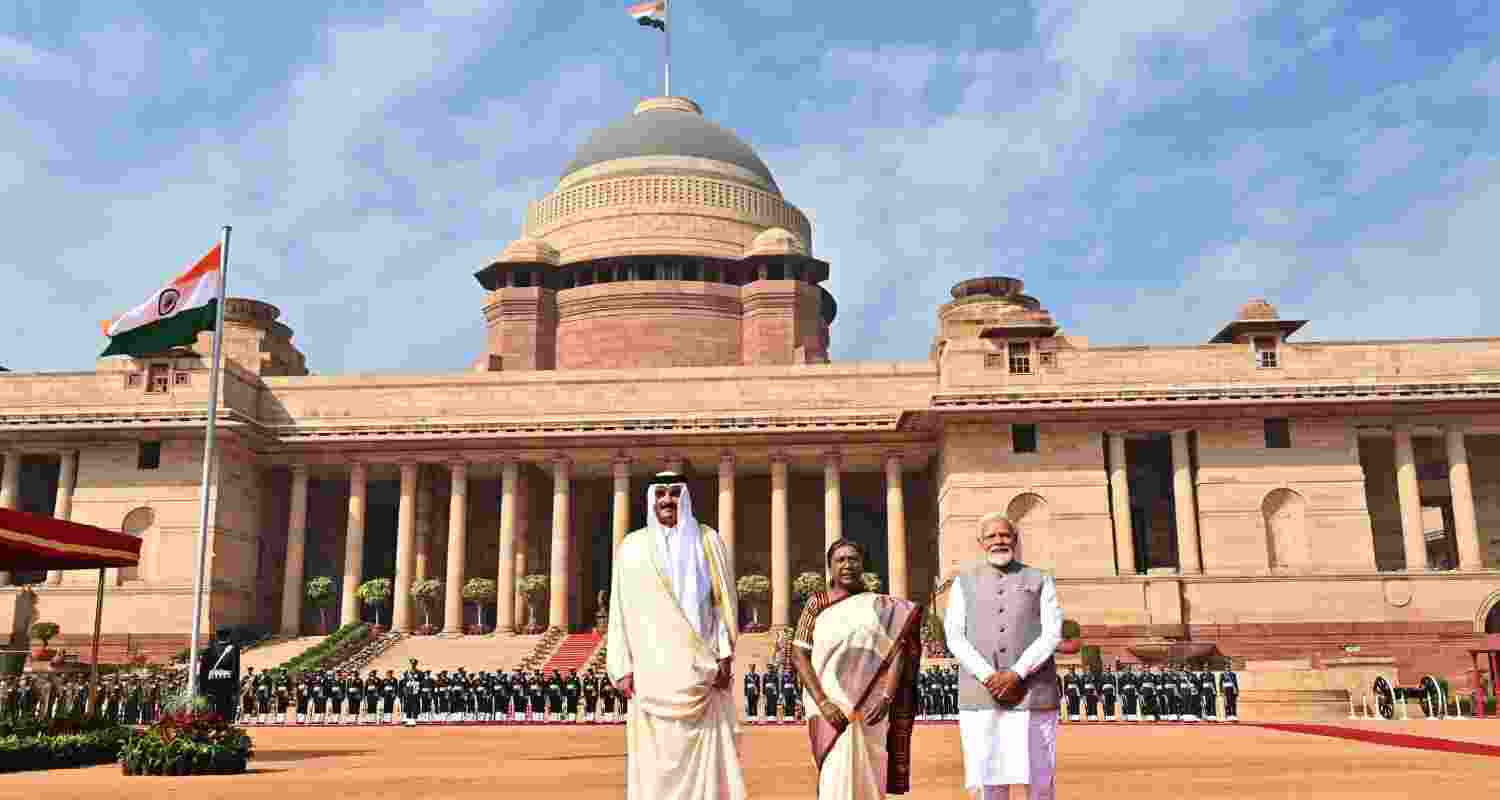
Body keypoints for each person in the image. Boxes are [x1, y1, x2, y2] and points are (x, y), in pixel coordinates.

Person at [606, 472, 745, 800]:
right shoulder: (632, 547)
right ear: (652, 499)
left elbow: (722, 602)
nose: (667, 500)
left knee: (705, 764)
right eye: (661, 494)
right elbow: (620, 609)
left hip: (701, 669)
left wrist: (725, 654)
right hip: (651, 671)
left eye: (674, 494)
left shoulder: (708, 540)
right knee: (655, 763)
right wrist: (620, 665)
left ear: (686, 498)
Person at [792, 538, 923, 800]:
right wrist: (824, 702)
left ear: (862, 564)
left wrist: (887, 697)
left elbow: (897, 649)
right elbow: (799, 654)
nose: (847, 565)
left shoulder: (882, 606)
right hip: (830, 707)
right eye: (840, 560)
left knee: (870, 777)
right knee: (834, 777)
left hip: (872, 707)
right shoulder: (817, 603)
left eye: (853, 559)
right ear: (830, 567)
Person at [945, 512, 1062, 800]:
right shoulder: (963, 582)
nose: (999, 540)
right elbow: (955, 636)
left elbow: (1051, 633)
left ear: (1015, 539)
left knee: (1039, 779)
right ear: (981, 542)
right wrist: (989, 677)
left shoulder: (1040, 579)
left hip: (1033, 693)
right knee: (988, 781)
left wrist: (1017, 673)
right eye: (991, 536)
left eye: (1005, 535)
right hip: (982, 695)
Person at [199, 628, 241, 720]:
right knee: (226, 710)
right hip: (227, 685)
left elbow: (203, 671)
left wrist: (202, 688)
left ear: (217, 637)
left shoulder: (208, 651)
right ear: (228, 636)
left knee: (211, 710)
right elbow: (235, 669)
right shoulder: (233, 650)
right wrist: (235, 687)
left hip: (211, 685)